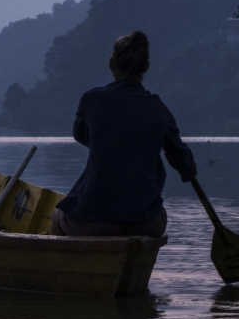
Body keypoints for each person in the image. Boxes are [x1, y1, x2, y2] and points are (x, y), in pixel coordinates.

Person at [51, 31, 197, 239]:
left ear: (111, 63)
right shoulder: (158, 108)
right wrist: (188, 171)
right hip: (145, 223)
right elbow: (183, 160)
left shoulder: (91, 100)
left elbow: (80, 135)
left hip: (94, 222)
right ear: (146, 67)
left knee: (57, 215)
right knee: (160, 213)